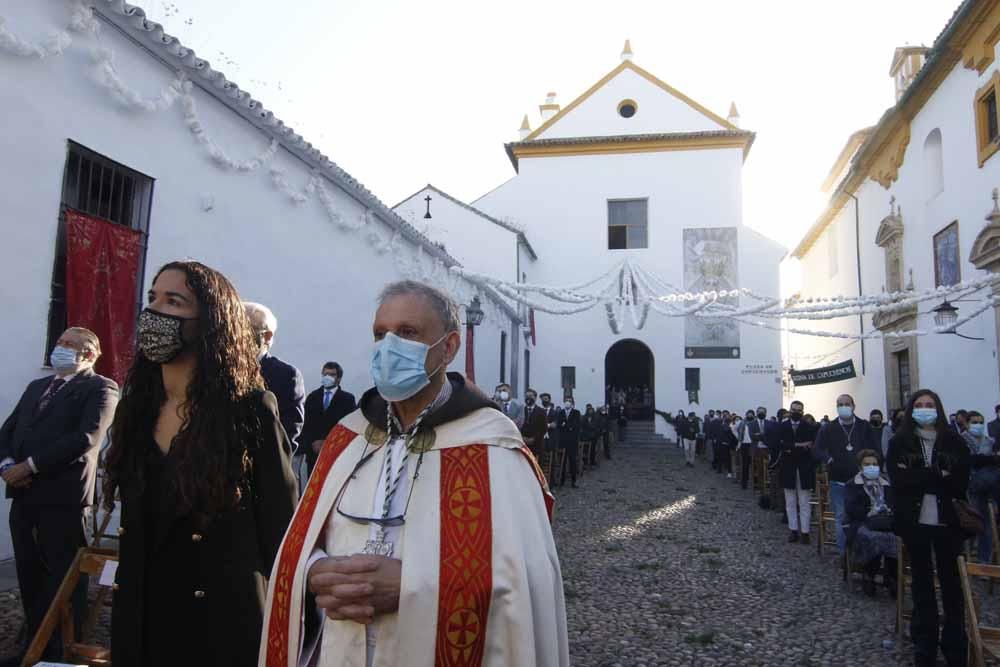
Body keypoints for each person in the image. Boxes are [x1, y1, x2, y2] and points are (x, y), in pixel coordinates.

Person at [259, 280, 568, 666]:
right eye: (380, 334)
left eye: (407, 333)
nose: (389, 347)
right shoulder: (348, 437)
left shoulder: (492, 445)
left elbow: (526, 580)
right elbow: (301, 542)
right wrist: (315, 570)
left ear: (449, 347)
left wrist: (413, 587)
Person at [104, 261, 298, 666]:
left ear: (209, 321)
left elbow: (282, 532)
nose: (155, 312)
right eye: (152, 298)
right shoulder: (137, 409)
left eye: (174, 301)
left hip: (217, 626)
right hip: (141, 621)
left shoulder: (250, 410)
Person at [0, 328, 118, 665]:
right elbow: (8, 432)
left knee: (63, 577)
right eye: (60, 343)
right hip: (23, 497)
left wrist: (31, 466)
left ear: (91, 354)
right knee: (29, 573)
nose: (60, 349)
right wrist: (9, 464)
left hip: (63, 498)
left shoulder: (101, 388)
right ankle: (32, 645)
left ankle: (62, 652)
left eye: (70, 345)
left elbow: (86, 437)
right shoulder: (38, 387)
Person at [887, 389, 970, 667]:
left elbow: (959, 481)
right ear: (912, 409)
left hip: (948, 522)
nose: (925, 409)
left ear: (939, 409)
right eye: (920, 405)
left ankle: (955, 645)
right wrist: (935, 474)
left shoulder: (954, 441)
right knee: (922, 585)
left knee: (952, 586)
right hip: (915, 522)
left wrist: (921, 475)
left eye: (930, 405)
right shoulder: (900, 441)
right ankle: (925, 645)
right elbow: (899, 480)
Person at [815, 394, 874, 557]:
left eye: (846, 404)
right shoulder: (829, 428)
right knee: (842, 517)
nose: (844, 407)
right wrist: (829, 458)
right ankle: (845, 557)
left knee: (864, 516)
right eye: (840, 404)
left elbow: (874, 448)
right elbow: (818, 449)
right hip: (839, 480)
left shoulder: (864, 426)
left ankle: (863, 554)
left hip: (863, 481)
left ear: (853, 406)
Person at [245, 302, 305, 454]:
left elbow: (287, 435)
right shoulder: (219, 369)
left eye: (244, 328)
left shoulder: (286, 376)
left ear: (266, 336)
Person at [844, 449, 897, 598]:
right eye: (867, 464)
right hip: (862, 522)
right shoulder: (852, 484)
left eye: (874, 464)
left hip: (886, 522)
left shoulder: (886, 484)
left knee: (895, 537)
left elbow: (894, 504)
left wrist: (887, 511)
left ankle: (892, 576)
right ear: (860, 467)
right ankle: (869, 574)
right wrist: (870, 513)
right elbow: (851, 508)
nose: (871, 467)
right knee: (871, 537)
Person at [302, 362, 357, 477]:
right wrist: (312, 444)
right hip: (314, 457)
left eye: (332, 375)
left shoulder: (348, 400)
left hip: (336, 456)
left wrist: (329, 443)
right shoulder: (312, 397)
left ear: (339, 379)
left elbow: (350, 426)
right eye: (325, 374)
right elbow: (305, 425)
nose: (327, 377)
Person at [779, 401, 819, 544]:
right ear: (790, 410)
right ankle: (793, 530)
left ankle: (805, 532)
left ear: (802, 412)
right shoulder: (783, 426)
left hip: (804, 469)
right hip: (788, 468)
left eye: (799, 410)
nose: (796, 412)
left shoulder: (808, 427)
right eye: (794, 409)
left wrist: (793, 447)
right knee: (790, 501)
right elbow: (781, 445)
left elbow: (812, 445)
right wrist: (799, 445)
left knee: (804, 501)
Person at [964, 410, 1000, 563]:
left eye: (980, 422)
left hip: (988, 488)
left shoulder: (989, 441)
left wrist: (987, 460)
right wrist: (990, 460)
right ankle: (966, 558)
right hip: (970, 487)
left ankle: (984, 561)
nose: (978, 425)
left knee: (986, 526)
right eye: (974, 422)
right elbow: (970, 460)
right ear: (967, 423)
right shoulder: (962, 439)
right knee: (972, 524)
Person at [558, 397, 581, 488]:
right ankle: (562, 480)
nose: (567, 403)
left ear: (572, 403)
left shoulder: (576, 413)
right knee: (562, 461)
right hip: (563, 441)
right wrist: (567, 426)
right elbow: (559, 424)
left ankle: (573, 481)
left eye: (569, 401)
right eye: (566, 401)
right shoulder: (561, 412)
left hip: (572, 441)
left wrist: (565, 425)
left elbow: (576, 425)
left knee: (572, 461)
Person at [520, 388, 547, 458]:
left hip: (536, 445)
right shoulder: (521, 410)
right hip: (523, 444)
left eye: (530, 396)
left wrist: (533, 439)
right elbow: (518, 425)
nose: (528, 398)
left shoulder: (541, 412)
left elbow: (543, 428)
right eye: (526, 396)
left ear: (535, 398)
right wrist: (523, 438)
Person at [747, 407, 768, 490]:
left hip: (767, 449)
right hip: (756, 449)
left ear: (766, 413)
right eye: (759, 412)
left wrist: (759, 435)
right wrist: (763, 436)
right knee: (758, 468)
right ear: (757, 413)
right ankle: (759, 485)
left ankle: (766, 485)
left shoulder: (769, 423)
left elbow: (770, 435)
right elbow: (752, 436)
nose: (761, 413)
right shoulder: (751, 424)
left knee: (767, 469)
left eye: (763, 412)